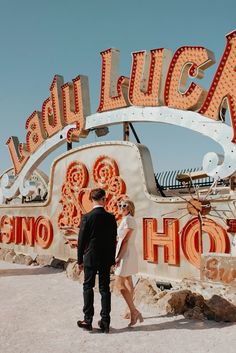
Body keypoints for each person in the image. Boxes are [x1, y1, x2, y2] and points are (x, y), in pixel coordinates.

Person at [77, 188, 117, 333]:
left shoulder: (87, 217)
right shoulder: (111, 217)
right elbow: (114, 240)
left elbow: (81, 240)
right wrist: (112, 260)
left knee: (88, 287)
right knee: (104, 289)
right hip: (106, 258)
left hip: (90, 257)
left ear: (91, 200)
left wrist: (79, 259)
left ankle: (88, 320)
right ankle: (105, 321)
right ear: (104, 199)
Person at [114, 199, 143, 326]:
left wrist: (118, 257)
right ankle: (129, 309)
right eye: (119, 205)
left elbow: (125, 240)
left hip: (125, 254)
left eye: (124, 205)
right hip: (126, 252)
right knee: (128, 281)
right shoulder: (126, 219)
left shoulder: (129, 220)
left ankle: (133, 311)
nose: (121, 207)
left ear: (130, 208)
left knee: (119, 285)